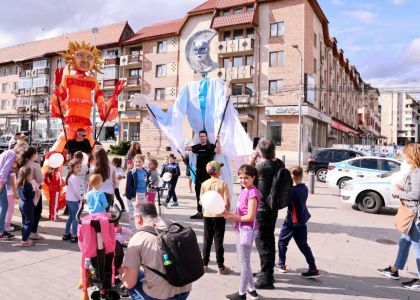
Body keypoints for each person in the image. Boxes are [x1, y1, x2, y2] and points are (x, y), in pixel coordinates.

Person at [118, 202, 191, 300]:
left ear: (139, 218)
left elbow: (129, 283)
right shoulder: (171, 223)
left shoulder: (138, 238)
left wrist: (121, 273)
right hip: (185, 290)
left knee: (130, 282)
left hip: (159, 296)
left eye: (133, 219)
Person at [377, 143, 420, 290]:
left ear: (412, 155)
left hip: (414, 215)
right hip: (412, 214)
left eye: (405, 153)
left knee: (417, 246)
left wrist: (398, 192)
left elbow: (416, 194)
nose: (403, 156)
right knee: (404, 242)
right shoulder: (414, 171)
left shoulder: (417, 172)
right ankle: (394, 270)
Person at [249, 138, 285, 289]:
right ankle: (267, 271)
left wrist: (252, 158)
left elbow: (245, 173)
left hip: (262, 209)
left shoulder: (261, 167)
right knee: (269, 240)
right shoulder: (279, 164)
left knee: (263, 243)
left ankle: (266, 278)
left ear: (260, 151)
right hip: (272, 208)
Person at [276, 166, 320, 278]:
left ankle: (281, 264)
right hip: (301, 222)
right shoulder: (304, 188)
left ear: (292, 177)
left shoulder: (293, 191)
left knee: (282, 242)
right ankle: (313, 268)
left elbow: (281, 203)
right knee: (304, 245)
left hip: (291, 222)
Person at [225, 164, 260, 300]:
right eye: (240, 177)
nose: (243, 180)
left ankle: (241, 294)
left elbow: (250, 216)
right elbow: (242, 211)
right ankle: (252, 290)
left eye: (246, 177)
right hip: (242, 229)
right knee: (243, 260)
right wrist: (231, 214)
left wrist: (235, 217)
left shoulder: (252, 193)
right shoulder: (244, 190)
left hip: (247, 230)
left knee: (244, 263)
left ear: (253, 177)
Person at [200, 161, 231, 274]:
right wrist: (226, 210)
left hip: (207, 214)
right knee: (218, 240)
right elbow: (227, 201)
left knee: (207, 240)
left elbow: (201, 201)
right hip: (219, 215)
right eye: (220, 168)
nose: (221, 170)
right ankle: (220, 266)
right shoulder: (223, 183)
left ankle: (204, 264)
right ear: (218, 171)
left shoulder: (204, 184)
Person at [185, 130, 221, 219]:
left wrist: (218, 141)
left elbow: (219, 151)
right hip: (199, 173)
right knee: (198, 193)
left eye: (203, 136)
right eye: (200, 136)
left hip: (209, 174)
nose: (202, 138)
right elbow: (187, 148)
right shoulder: (197, 147)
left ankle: (210, 212)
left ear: (206, 137)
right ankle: (199, 212)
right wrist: (176, 144)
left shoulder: (211, 146)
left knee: (210, 193)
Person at [0, 141, 27, 240]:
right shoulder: (12, 153)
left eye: (24, 150)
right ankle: (1, 231)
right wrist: (1, 182)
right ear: (18, 147)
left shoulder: (8, 152)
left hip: (1, 180)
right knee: (4, 206)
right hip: (1, 180)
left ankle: (2, 229)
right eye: (22, 149)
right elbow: (5, 169)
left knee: (3, 206)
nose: (22, 152)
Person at [21, 146, 44, 240]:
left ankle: (25, 231)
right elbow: (40, 179)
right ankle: (33, 232)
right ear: (34, 155)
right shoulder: (35, 165)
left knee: (25, 212)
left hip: (23, 189)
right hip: (34, 190)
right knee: (37, 211)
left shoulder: (22, 163)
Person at [126, 154, 148, 232]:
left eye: (139, 162)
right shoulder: (131, 173)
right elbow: (129, 186)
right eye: (136, 162)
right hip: (133, 196)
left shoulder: (145, 171)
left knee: (141, 213)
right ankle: (133, 231)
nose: (137, 163)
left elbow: (146, 182)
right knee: (133, 214)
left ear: (143, 162)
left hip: (142, 195)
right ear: (133, 162)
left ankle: (139, 230)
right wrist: (133, 197)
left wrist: (149, 186)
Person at [15, 167, 36, 247]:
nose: (32, 175)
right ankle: (24, 240)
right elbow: (30, 197)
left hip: (21, 203)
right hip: (27, 205)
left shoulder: (19, 183)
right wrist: (33, 190)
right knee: (29, 222)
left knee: (24, 221)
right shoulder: (28, 185)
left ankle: (24, 237)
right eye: (31, 174)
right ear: (27, 175)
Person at [63, 159, 83, 243]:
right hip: (73, 200)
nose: (79, 168)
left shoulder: (71, 177)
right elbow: (76, 191)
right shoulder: (74, 177)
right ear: (72, 168)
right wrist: (81, 198)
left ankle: (66, 234)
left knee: (71, 217)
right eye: (77, 167)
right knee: (75, 218)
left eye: (80, 167)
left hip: (69, 199)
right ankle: (75, 236)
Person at [5, 160, 18, 231]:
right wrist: (16, 193)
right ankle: (6, 225)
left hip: (6, 192)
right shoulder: (12, 173)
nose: (16, 163)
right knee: (10, 210)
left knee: (6, 209)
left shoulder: (5, 171)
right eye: (15, 162)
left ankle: (5, 225)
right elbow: (13, 184)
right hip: (10, 193)